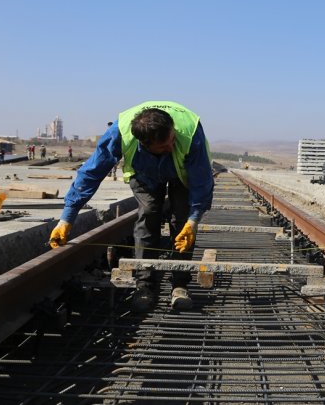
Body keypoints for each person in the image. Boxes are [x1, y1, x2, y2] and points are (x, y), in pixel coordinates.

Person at [49, 101, 214, 310]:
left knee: (182, 218)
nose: (171, 146)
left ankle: (180, 284)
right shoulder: (119, 132)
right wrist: (67, 218)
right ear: (143, 143)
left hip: (183, 173)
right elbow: (92, 172)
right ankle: (144, 285)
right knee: (148, 212)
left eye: (172, 140)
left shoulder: (190, 132)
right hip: (144, 172)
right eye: (163, 146)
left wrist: (194, 220)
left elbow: (202, 181)